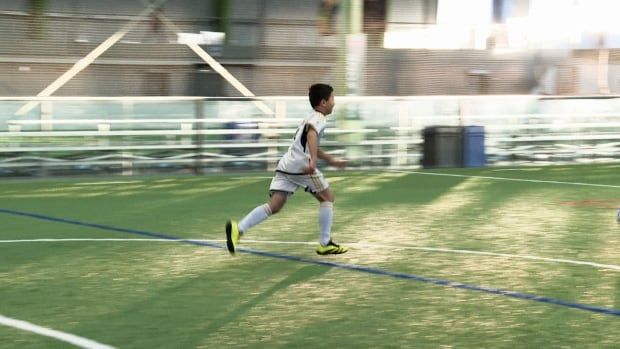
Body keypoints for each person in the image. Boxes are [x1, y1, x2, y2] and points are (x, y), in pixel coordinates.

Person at [226, 83, 348, 255]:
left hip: (287, 165)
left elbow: (310, 144)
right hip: (301, 167)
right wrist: (313, 162)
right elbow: (312, 135)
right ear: (323, 102)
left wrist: (331, 160)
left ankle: (238, 229)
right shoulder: (319, 118)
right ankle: (325, 242)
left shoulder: (309, 117)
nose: (334, 102)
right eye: (333, 99)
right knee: (328, 198)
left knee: (275, 205)